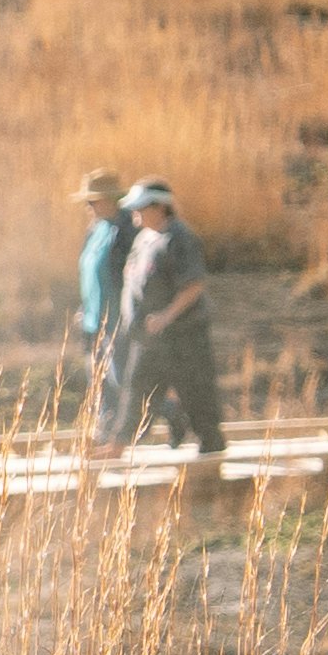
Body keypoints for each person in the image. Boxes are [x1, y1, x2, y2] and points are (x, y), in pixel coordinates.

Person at [111, 178, 226, 465]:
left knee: (197, 393)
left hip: (183, 337)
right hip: (150, 339)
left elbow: (193, 285)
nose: (135, 214)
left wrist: (165, 316)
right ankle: (118, 444)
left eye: (141, 208)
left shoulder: (179, 238)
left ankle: (211, 450)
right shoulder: (143, 238)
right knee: (136, 387)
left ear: (160, 208)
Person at [69, 170, 132, 442]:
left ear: (110, 200)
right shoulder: (96, 229)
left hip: (117, 318)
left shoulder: (126, 228)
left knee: (120, 376)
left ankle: (170, 412)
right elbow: (89, 273)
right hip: (93, 319)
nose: (88, 207)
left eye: (92, 201)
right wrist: (84, 308)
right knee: (98, 377)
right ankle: (104, 429)